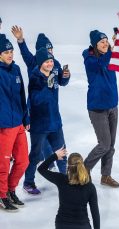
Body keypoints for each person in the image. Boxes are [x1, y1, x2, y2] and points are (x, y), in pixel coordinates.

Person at [11, 26, 69, 170]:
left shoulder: (55, 64)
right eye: (47, 50)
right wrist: (20, 40)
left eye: (51, 49)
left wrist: (66, 77)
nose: (50, 53)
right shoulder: (33, 62)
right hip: (37, 107)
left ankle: (53, 164)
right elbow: (24, 53)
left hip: (52, 109)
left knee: (52, 138)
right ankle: (46, 163)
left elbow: (62, 81)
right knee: (42, 141)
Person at [23, 47, 70, 195]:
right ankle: (28, 182)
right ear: (40, 63)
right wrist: (46, 86)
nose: (50, 64)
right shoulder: (35, 77)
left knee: (62, 153)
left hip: (55, 122)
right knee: (36, 155)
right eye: (47, 61)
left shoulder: (53, 75)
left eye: (51, 61)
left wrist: (66, 76)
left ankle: (66, 180)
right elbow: (35, 100)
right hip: (40, 125)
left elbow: (62, 82)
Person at [82, 30, 119, 188]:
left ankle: (106, 176)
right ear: (94, 45)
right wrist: (113, 50)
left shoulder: (110, 54)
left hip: (113, 106)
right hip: (97, 108)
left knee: (110, 146)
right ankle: (83, 169)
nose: (105, 44)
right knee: (104, 144)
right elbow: (102, 63)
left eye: (106, 41)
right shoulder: (89, 59)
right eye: (102, 42)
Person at [0, 34, 29, 211]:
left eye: (11, 51)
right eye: (6, 52)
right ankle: (2, 195)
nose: (10, 54)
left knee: (23, 161)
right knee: (2, 164)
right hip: (3, 125)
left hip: (18, 122)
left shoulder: (16, 69)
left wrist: (25, 117)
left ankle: (10, 190)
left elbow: (22, 95)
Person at [38, 148, 100, 229]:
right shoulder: (90, 187)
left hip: (62, 225)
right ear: (82, 165)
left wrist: (55, 156)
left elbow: (41, 169)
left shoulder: (60, 179)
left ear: (68, 166)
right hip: (82, 225)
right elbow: (95, 214)